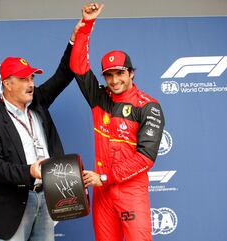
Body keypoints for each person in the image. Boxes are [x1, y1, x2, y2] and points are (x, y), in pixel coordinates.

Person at [0, 23, 82, 241]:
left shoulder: (38, 102)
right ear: (7, 84)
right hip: (15, 205)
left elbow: (64, 74)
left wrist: (76, 39)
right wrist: (30, 171)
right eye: (24, 79)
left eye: (32, 78)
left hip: (49, 196)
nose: (31, 84)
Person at [70, 3, 165, 241]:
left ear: (131, 73)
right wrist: (87, 25)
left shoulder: (148, 106)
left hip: (130, 191)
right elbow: (78, 66)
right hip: (103, 194)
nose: (114, 80)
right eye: (109, 75)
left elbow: (146, 158)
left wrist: (103, 177)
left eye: (120, 73)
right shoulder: (99, 98)